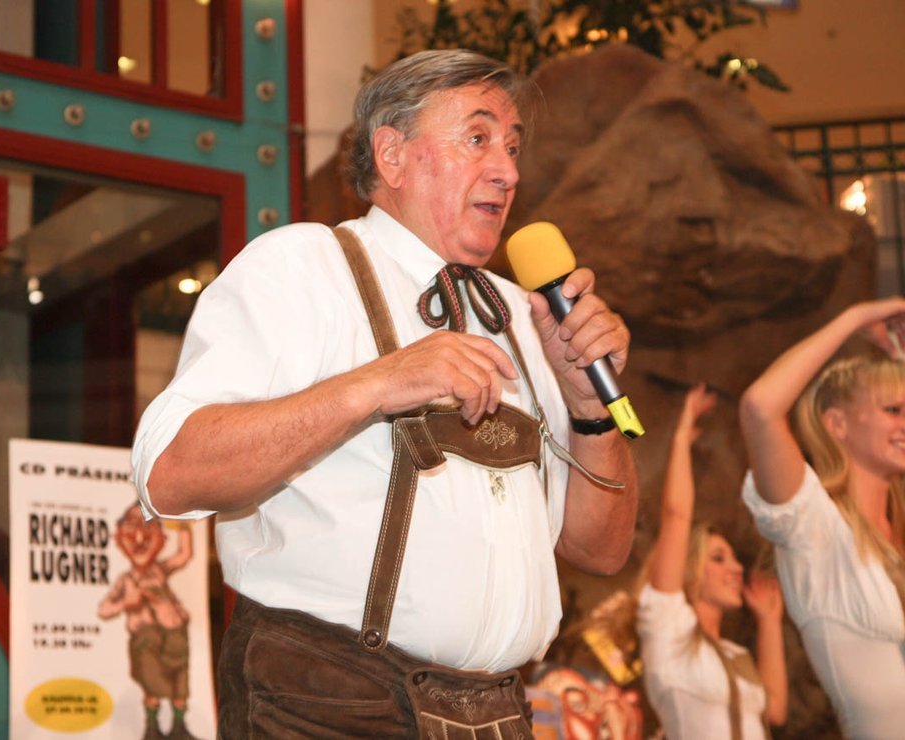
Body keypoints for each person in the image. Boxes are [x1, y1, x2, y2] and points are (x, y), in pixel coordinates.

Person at [132, 49, 638, 737]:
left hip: (498, 714)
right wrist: (379, 382)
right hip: (329, 709)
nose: (508, 170)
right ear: (392, 155)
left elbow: (601, 552)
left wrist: (588, 412)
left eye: (513, 147)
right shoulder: (304, 268)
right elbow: (169, 473)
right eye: (478, 138)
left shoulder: (528, 317)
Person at [739, 298, 905, 739]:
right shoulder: (814, 525)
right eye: (893, 410)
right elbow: (760, 407)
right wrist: (856, 317)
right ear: (837, 424)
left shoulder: (898, 532)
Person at [639, 384, 787, 739]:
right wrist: (681, 438)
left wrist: (769, 622)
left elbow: (775, 711)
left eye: (733, 559)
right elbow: (677, 517)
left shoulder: (736, 653)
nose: (736, 568)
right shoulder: (667, 626)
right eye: (719, 558)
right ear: (690, 568)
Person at [98, 505, 199, 740]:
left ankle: (179, 728)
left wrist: (183, 525)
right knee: (152, 685)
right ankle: (152, 729)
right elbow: (105, 609)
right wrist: (126, 604)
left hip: (175, 636)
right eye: (131, 528)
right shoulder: (126, 580)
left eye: (147, 528)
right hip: (147, 640)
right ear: (119, 538)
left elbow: (184, 555)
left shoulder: (160, 570)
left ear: (162, 538)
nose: (140, 538)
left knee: (180, 684)